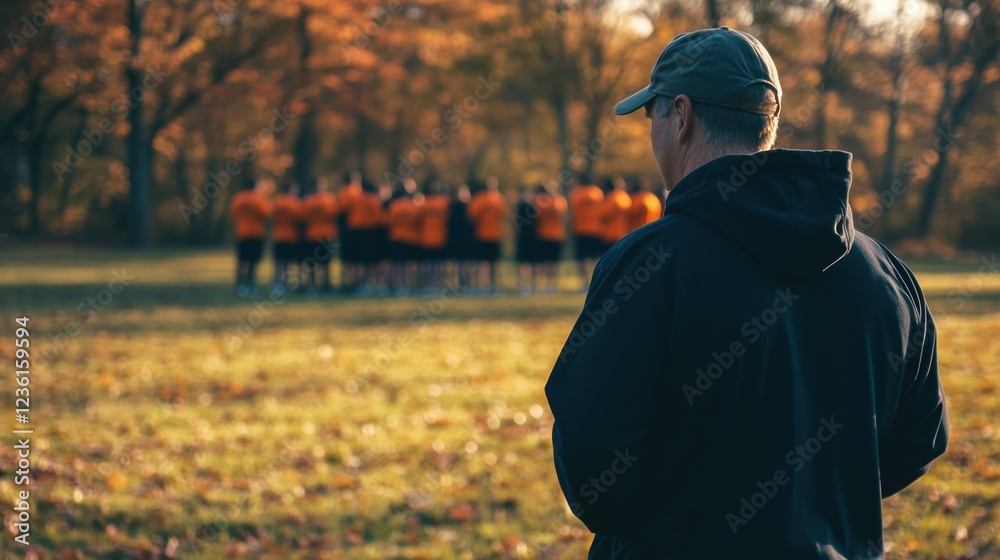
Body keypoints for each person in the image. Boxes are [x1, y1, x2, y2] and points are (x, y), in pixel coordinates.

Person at [545, 27, 948, 559]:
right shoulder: (887, 274)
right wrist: (822, 506)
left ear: (681, 116)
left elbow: (594, 459)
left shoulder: (650, 265)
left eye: (652, 117)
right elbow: (919, 441)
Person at [229, 177, 271, 297]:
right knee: (253, 261)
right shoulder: (259, 199)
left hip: (241, 233)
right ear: (254, 186)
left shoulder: (238, 199)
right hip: (256, 234)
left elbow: (234, 214)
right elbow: (267, 214)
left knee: (241, 260)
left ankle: (240, 284)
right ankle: (251, 284)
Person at [467, 176, 508, 294]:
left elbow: (471, 217)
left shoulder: (479, 199)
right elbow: (504, 215)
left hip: (486, 234)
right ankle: (490, 285)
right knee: (491, 263)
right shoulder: (498, 198)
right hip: (489, 235)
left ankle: (485, 285)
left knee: (485, 263)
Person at [348, 179, 387, 296]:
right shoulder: (373, 199)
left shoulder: (355, 199)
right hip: (371, 231)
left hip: (356, 232)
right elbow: (379, 217)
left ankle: (361, 283)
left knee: (360, 260)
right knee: (373, 260)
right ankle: (376, 283)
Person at [301, 177, 339, 296]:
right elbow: (335, 215)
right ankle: (324, 284)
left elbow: (303, 217)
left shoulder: (308, 201)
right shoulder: (329, 200)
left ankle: (314, 285)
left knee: (314, 262)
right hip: (324, 234)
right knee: (323, 262)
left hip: (313, 234)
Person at [570, 173, 606, 291]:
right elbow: (603, 211)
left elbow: (573, 212)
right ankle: (596, 281)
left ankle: (584, 282)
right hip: (596, 229)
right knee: (596, 258)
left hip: (581, 229)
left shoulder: (577, 193)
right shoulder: (597, 192)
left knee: (582, 259)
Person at [387, 179, 423, 295]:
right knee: (410, 265)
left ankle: (399, 285)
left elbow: (389, 222)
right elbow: (419, 222)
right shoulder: (415, 205)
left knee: (398, 264)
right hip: (411, 238)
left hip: (397, 237)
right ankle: (409, 285)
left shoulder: (394, 205)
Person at [533, 181, 568, 293]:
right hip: (546, 234)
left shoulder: (557, 201)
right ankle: (547, 284)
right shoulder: (555, 201)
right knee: (547, 262)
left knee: (554, 262)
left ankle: (553, 284)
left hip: (554, 235)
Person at [419, 179, 451, 292]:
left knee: (428, 263)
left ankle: (429, 285)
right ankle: (437, 284)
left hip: (426, 237)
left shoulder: (424, 203)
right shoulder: (444, 203)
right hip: (439, 237)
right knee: (438, 264)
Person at [271, 182, 304, 292]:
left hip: (278, 235)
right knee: (291, 262)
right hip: (291, 236)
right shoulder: (295, 203)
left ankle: (279, 283)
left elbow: (270, 215)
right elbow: (301, 218)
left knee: (280, 262)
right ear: (290, 190)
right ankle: (289, 282)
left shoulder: (277, 201)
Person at [446, 184, 476, 291]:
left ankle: (467, 283)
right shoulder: (454, 206)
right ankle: (461, 283)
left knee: (466, 263)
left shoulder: (471, 206)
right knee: (460, 263)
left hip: (467, 239)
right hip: (458, 239)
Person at [338, 171, 364, 292]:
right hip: (358, 228)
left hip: (346, 228)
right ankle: (358, 281)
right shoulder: (359, 192)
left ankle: (347, 281)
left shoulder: (343, 192)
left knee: (347, 258)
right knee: (358, 257)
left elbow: (341, 210)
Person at [514, 186, 539, 295]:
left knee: (532, 263)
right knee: (522, 263)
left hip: (532, 238)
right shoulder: (520, 206)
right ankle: (522, 285)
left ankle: (533, 285)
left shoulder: (534, 206)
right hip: (522, 239)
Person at [599, 175, 632, 250]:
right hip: (624, 232)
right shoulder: (626, 197)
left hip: (610, 234)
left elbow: (603, 214)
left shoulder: (612, 198)